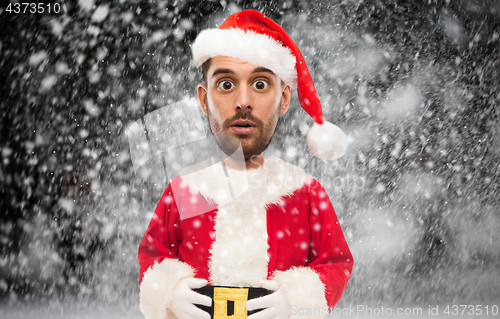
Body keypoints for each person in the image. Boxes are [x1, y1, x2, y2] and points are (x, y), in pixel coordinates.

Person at [138, 10, 353, 319]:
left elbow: (336, 263)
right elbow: (153, 256)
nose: (243, 101)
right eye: (226, 84)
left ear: (284, 98)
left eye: (261, 84)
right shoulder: (183, 192)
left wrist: (298, 301)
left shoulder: (306, 193)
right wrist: (168, 293)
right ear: (203, 99)